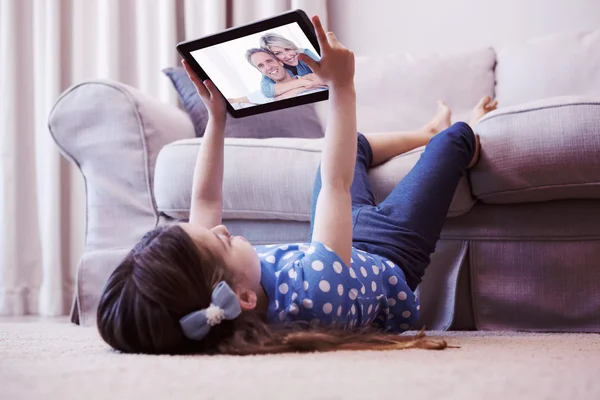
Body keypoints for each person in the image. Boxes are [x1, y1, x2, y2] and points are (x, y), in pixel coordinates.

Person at [96, 15, 497, 355]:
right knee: (455, 140)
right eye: (219, 241)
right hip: (392, 251)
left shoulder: (237, 294)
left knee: (354, 146)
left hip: (339, 238)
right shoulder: (318, 295)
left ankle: (425, 131)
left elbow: (205, 197)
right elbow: (335, 183)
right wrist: (342, 86)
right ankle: (464, 130)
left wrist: (216, 118)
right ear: (243, 297)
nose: (220, 228)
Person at [259, 32, 324, 98]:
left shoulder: (304, 53)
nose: (288, 56)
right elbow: (267, 91)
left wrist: (297, 90)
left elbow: (326, 76)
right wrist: (304, 83)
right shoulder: (272, 68)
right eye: (278, 53)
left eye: (287, 49)